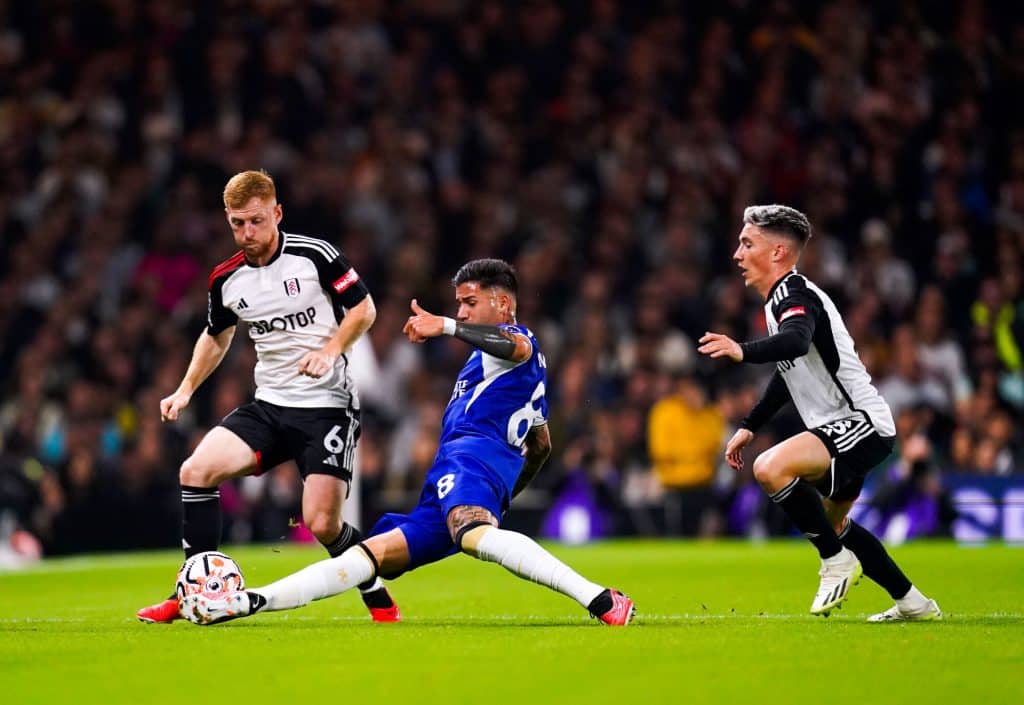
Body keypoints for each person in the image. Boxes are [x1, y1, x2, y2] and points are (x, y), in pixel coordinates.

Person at [179, 258, 635, 626]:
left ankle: (599, 599)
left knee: (475, 536)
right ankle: (248, 602)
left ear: (501, 303)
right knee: (373, 558)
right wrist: (505, 494)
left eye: (468, 303)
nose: (460, 312)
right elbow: (541, 446)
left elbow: (513, 346)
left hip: (471, 460)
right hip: (461, 476)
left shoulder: (520, 342)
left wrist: (447, 329)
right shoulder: (513, 376)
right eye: (458, 306)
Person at [136, 170, 399, 623]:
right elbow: (216, 336)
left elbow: (364, 308)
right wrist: (184, 389)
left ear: (277, 213)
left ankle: (373, 586)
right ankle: (190, 592)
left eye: (256, 221)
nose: (247, 233)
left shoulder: (315, 256)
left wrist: (330, 349)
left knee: (321, 524)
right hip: (271, 405)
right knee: (196, 471)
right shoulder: (226, 278)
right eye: (237, 223)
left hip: (326, 407)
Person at [697, 205, 941, 621]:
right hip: (850, 426)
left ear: (777, 252)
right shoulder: (781, 300)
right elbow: (788, 372)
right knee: (836, 524)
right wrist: (749, 426)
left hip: (860, 423)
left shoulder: (795, 295)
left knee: (770, 468)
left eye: (747, 243)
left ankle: (835, 562)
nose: (737, 255)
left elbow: (794, 342)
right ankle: (913, 603)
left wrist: (742, 350)